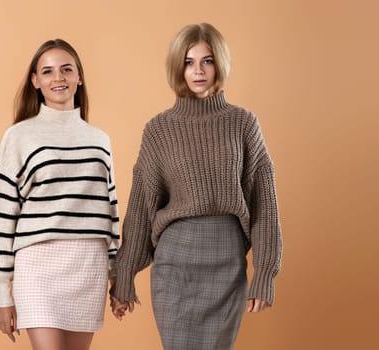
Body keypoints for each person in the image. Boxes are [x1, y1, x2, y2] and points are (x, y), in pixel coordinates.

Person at [109, 23, 282, 350]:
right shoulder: (159, 129)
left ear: (220, 64)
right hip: (175, 265)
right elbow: (141, 206)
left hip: (227, 263)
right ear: (178, 67)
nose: (198, 70)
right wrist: (124, 276)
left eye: (207, 60)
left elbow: (265, 207)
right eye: (189, 62)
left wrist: (264, 275)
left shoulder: (243, 123)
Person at [0, 39, 119, 350]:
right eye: (48, 71)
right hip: (38, 264)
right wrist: (2, 293)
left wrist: (117, 278)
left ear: (79, 77)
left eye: (66, 69)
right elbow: (2, 212)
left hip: (88, 264)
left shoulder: (99, 140)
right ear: (35, 81)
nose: (58, 78)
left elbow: (109, 210)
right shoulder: (19, 136)